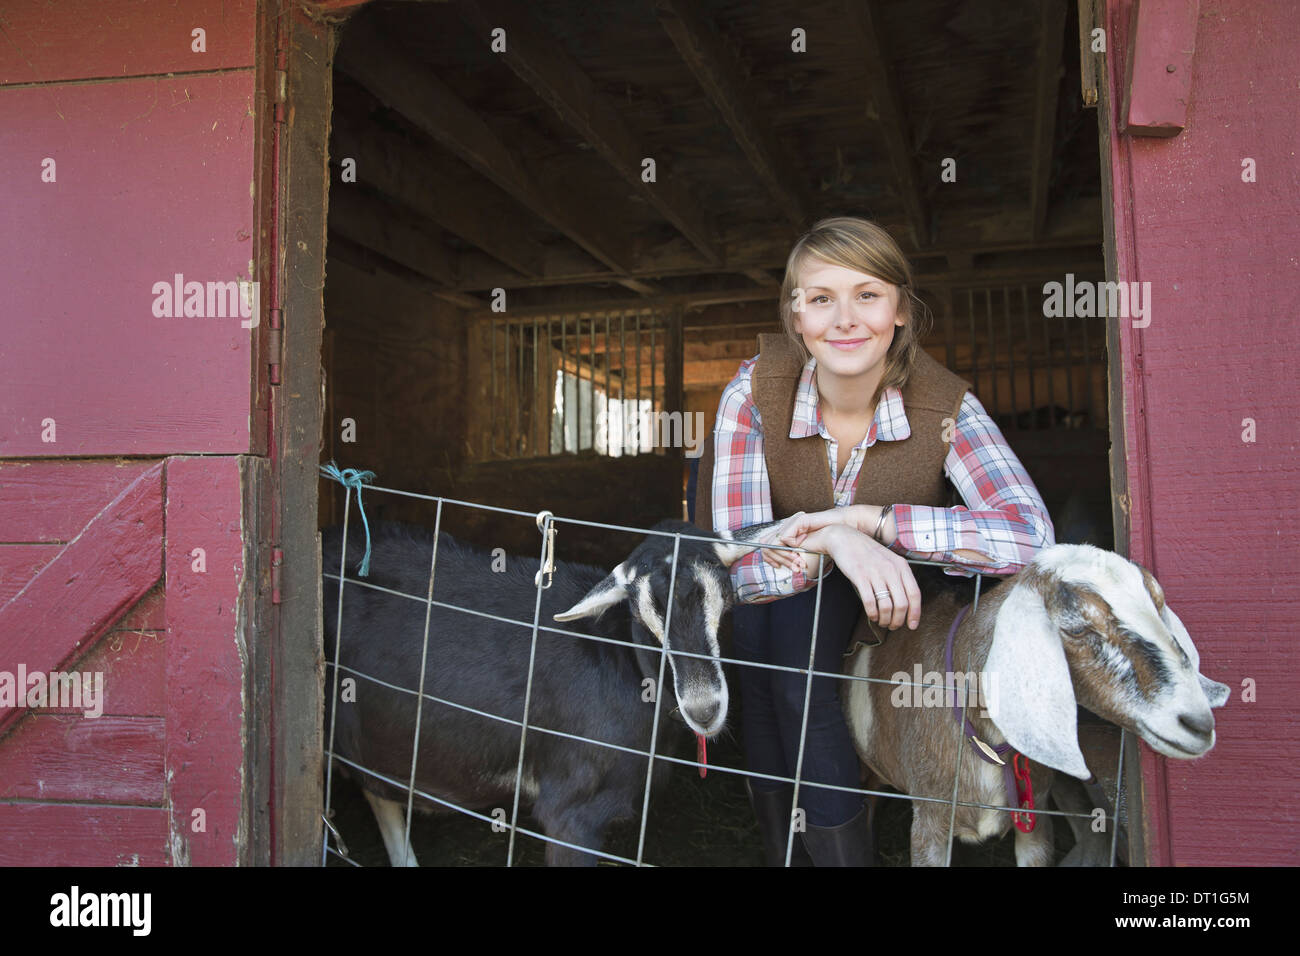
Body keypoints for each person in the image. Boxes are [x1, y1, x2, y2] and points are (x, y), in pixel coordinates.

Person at [692, 217, 1055, 866]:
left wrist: (874, 523)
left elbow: (1030, 536)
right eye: (821, 297)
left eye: (868, 294)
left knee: (798, 678)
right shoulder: (752, 389)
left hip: (896, 594)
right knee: (773, 680)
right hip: (773, 594)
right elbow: (737, 562)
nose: (845, 318)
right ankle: (790, 849)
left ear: (901, 313)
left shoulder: (946, 405)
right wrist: (835, 541)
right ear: (795, 315)